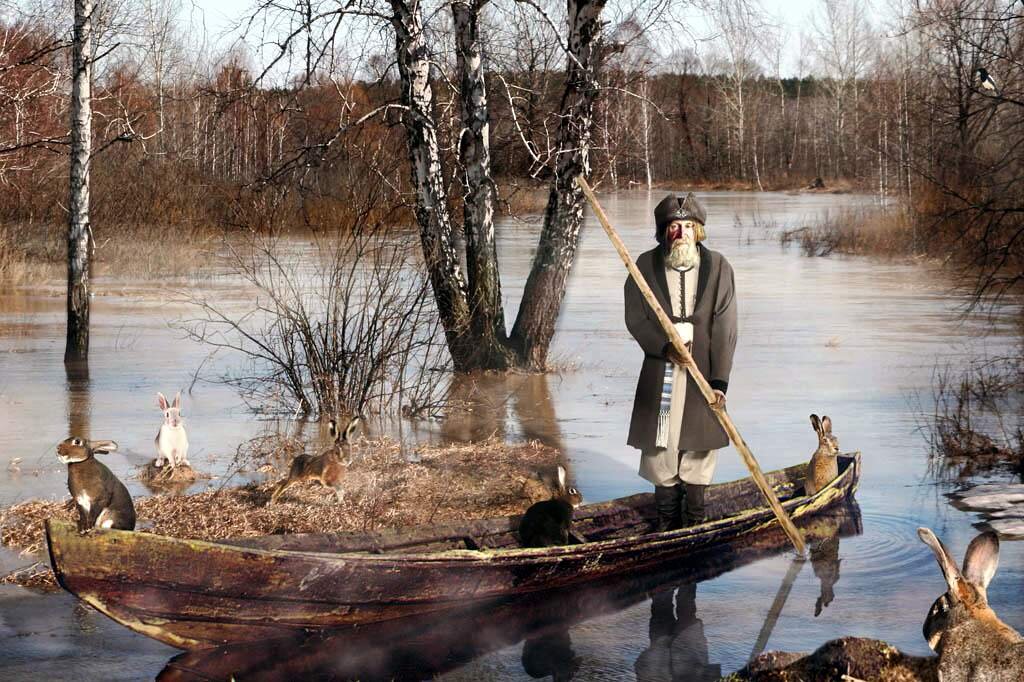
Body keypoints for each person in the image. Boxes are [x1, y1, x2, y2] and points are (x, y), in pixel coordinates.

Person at [624, 192, 737, 531]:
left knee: (699, 442)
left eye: (688, 226)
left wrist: (719, 383)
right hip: (661, 371)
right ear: (664, 231)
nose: (682, 233)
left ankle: (696, 523)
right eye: (674, 226)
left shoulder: (718, 267)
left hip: (702, 371)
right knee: (662, 442)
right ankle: (667, 525)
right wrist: (662, 346)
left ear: (698, 231)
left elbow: (725, 327)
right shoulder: (644, 266)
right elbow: (636, 318)